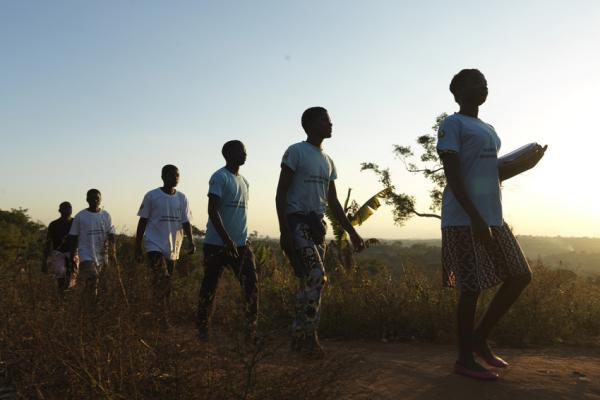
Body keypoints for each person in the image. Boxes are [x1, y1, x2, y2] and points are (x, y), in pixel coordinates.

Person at [436, 69, 547, 380]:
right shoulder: (452, 124)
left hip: (493, 217)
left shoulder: (489, 129)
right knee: (471, 289)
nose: (481, 86)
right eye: (473, 82)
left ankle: (479, 339)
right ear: (456, 92)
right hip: (464, 219)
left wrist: (525, 164)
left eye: (483, 82)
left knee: (520, 275)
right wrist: (475, 218)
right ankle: (464, 359)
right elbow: (453, 175)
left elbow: (491, 175)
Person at [276, 107, 365, 358]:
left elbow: (334, 203)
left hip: (317, 226)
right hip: (297, 222)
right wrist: (284, 231)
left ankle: (297, 335)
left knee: (309, 282)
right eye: (325, 120)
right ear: (311, 124)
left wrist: (352, 232)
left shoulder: (328, 161)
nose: (331, 124)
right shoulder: (295, 152)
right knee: (318, 275)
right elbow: (281, 193)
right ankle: (310, 336)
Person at [197, 141, 258, 343]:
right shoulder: (219, 177)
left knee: (251, 285)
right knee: (210, 287)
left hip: (240, 245)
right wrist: (226, 239)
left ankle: (250, 331)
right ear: (228, 154)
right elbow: (212, 210)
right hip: (217, 244)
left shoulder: (245, 182)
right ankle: (202, 330)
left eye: (246, 151)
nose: (245, 154)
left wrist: (242, 240)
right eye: (241, 151)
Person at [135, 164, 195, 328]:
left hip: (172, 247)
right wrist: (137, 246)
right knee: (162, 277)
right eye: (171, 175)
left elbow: (186, 221)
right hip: (153, 243)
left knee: (164, 283)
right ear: (163, 177)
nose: (175, 178)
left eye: (177, 175)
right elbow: (142, 221)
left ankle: (159, 310)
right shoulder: (152, 196)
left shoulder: (182, 198)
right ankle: (163, 319)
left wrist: (191, 240)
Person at [69, 189, 117, 301]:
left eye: (97, 198)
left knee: (101, 285)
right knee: (93, 278)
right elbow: (73, 237)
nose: (95, 200)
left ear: (100, 199)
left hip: (102, 256)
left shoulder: (106, 215)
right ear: (87, 199)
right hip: (86, 255)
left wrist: (112, 251)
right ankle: (92, 306)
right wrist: (72, 257)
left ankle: (89, 304)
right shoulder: (80, 216)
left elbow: (111, 234)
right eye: (92, 198)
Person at [42, 202, 78, 294]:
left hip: (73, 253)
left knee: (72, 280)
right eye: (65, 208)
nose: (68, 209)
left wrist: (73, 258)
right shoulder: (54, 224)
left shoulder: (76, 223)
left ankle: (68, 300)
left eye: (69, 207)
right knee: (60, 280)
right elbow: (48, 243)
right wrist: (44, 261)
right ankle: (61, 300)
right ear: (59, 210)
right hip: (58, 254)